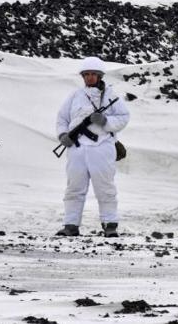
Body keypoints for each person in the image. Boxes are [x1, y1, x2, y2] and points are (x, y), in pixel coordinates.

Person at [55, 56, 130, 237]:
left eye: (93, 74)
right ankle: (71, 225)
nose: (89, 78)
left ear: (99, 76)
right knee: (74, 188)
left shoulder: (111, 96)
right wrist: (63, 135)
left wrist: (106, 121)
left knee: (105, 188)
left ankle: (110, 224)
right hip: (77, 148)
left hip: (102, 147)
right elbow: (62, 118)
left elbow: (123, 117)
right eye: (86, 74)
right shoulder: (75, 96)